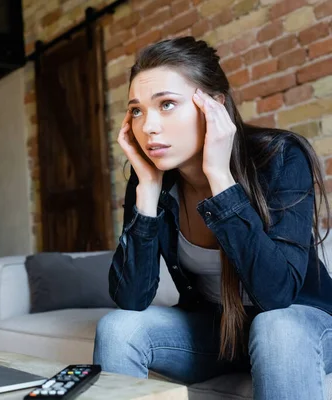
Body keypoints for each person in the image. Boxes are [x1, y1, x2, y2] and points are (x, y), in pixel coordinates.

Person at [93, 36, 332, 400]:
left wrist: (221, 180)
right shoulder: (151, 177)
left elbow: (278, 294)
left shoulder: (280, 156)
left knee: (275, 327)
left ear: (214, 106)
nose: (148, 127)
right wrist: (146, 194)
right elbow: (131, 299)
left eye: (167, 104)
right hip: (219, 334)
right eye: (137, 111)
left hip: (301, 323)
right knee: (118, 328)